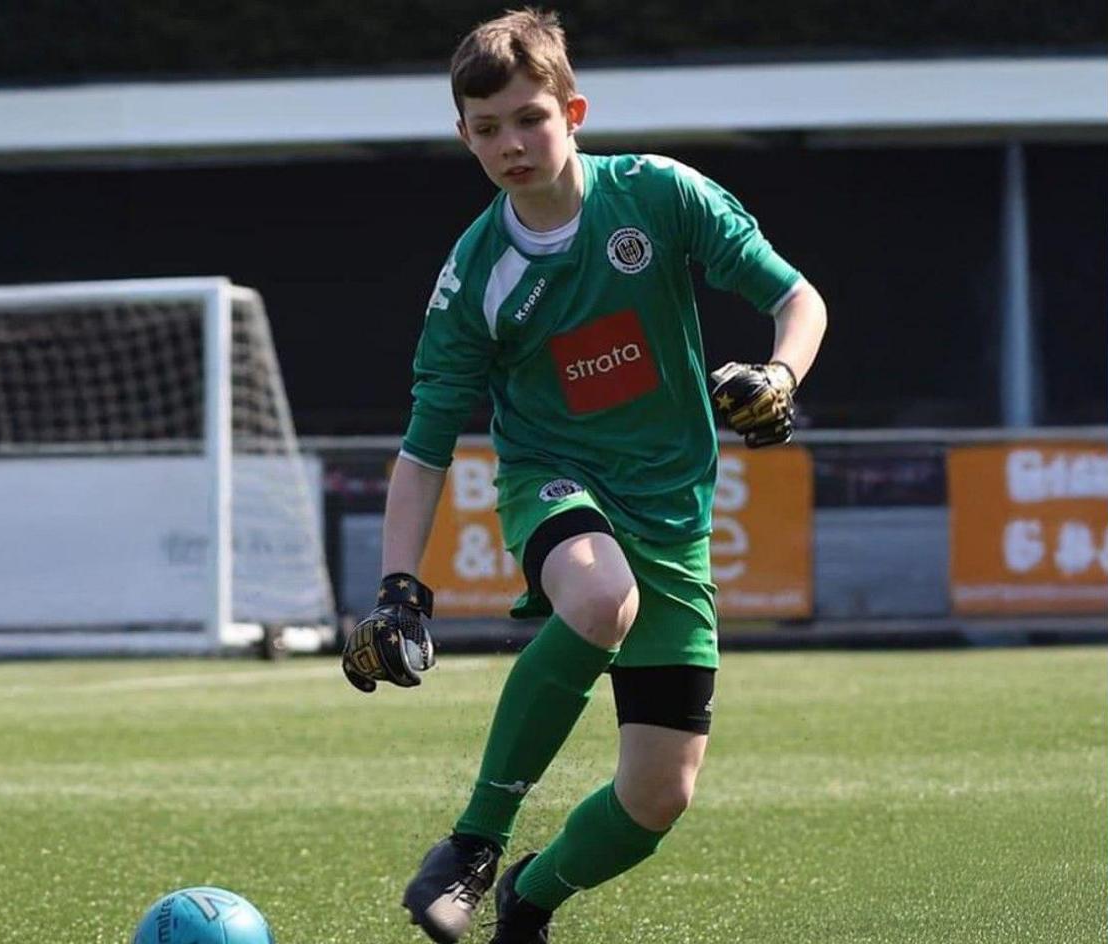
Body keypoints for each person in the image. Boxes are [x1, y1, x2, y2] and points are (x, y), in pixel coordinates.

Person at [339, 8, 828, 943]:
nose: (511, 145)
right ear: (463, 136)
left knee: (658, 798)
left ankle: (532, 894)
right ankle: (473, 844)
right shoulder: (474, 275)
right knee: (602, 599)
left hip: (674, 514)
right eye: (487, 130)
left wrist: (779, 376)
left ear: (575, 112)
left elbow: (795, 297)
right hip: (554, 485)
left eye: (530, 118)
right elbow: (425, 446)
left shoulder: (659, 195)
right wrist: (399, 587)